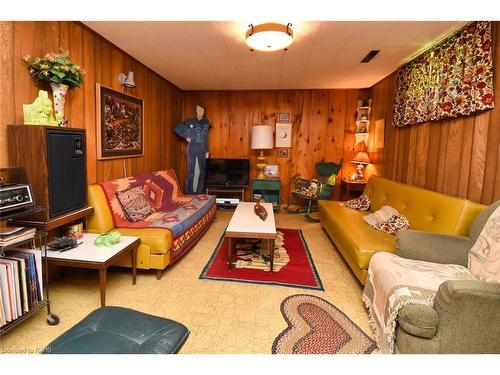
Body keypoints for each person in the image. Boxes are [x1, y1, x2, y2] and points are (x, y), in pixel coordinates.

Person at [174, 102, 210, 194]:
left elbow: (206, 137)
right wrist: (186, 136)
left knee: (203, 171)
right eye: (199, 109)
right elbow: (176, 128)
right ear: (196, 111)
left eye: (202, 110)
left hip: (202, 147)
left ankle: (199, 191)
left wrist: (207, 150)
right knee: (191, 171)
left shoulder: (206, 122)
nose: (200, 111)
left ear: (204, 111)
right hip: (192, 147)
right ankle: (189, 192)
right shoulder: (190, 121)